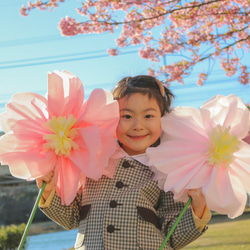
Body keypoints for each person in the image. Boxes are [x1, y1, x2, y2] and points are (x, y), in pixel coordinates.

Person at [37, 75, 211, 249]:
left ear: (163, 119)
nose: (137, 125)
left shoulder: (167, 169)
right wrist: (50, 191)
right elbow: (70, 219)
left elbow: (173, 237)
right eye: (126, 116)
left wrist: (198, 210)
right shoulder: (93, 159)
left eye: (148, 116)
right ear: (112, 118)